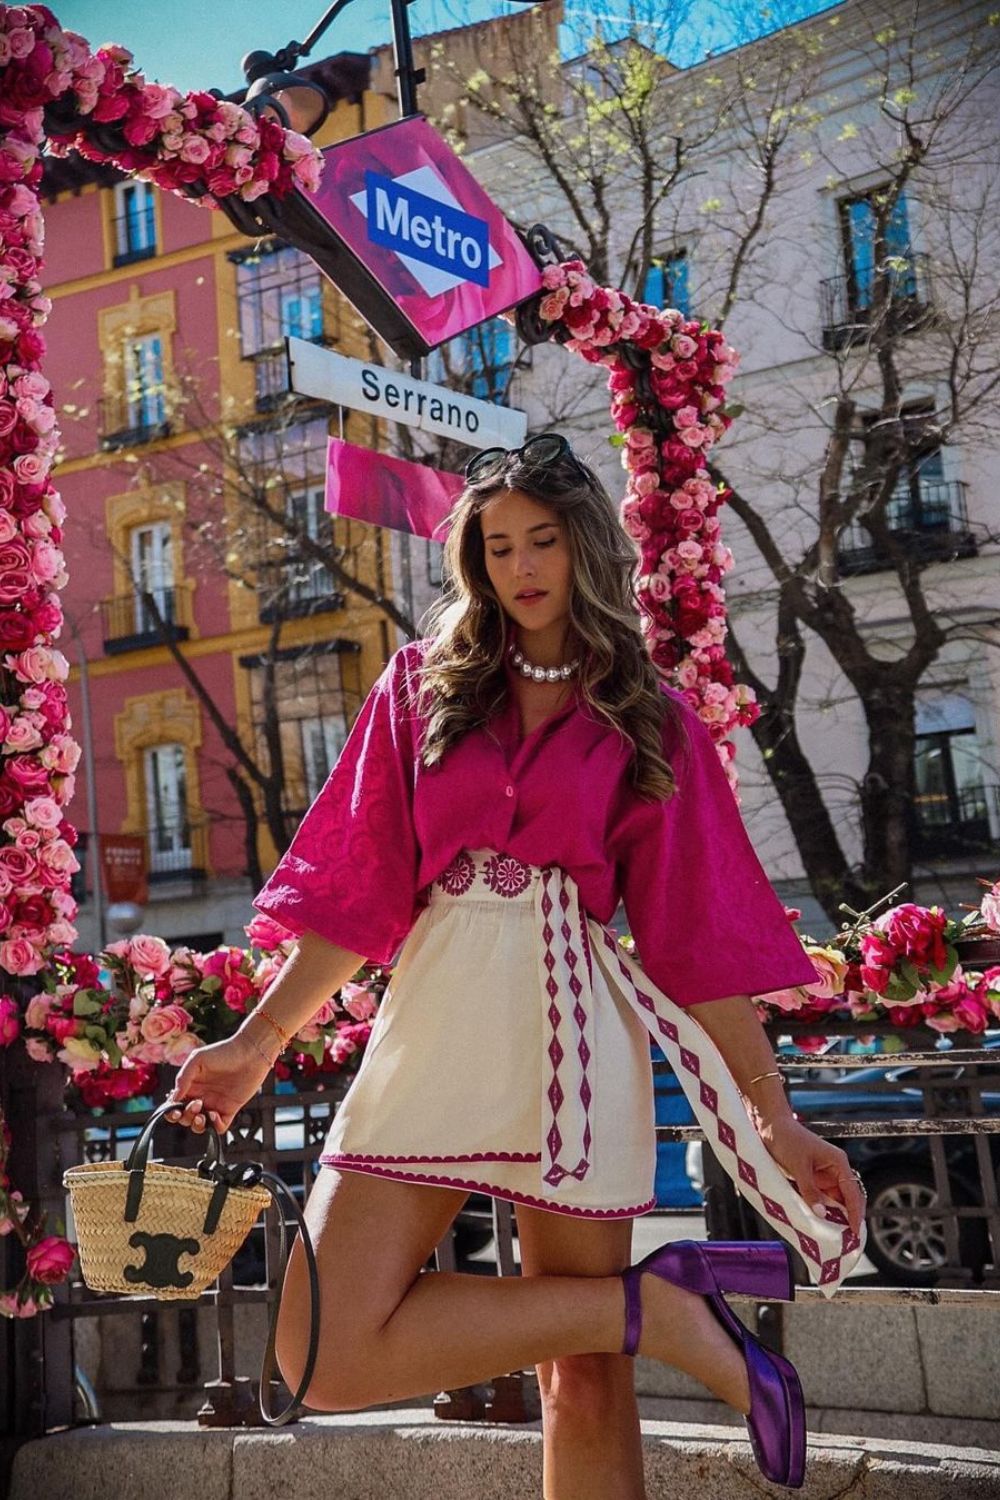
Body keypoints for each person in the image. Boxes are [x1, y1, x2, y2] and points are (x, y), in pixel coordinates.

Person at [168, 433, 866, 1497]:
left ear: (585, 545)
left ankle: (636, 1317)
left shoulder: (649, 717)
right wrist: (254, 1044)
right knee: (323, 1353)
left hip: (571, 1039)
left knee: (581, 1381)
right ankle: (657, 1308)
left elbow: (693, 937)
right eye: (498, 548)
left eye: (542, 540)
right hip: (433, 1027)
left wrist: (774, 1118)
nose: (522, 566)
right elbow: (358, 892)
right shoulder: (421, 686)